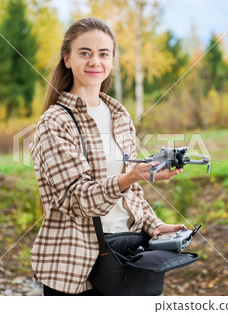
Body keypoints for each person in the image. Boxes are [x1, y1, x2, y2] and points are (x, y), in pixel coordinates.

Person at [30, 17, 185, 296]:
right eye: (84, 53)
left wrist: (155, 225)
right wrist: (127, 178)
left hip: (126, 255)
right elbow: (76, 198)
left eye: (104, 54)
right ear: (67, 59)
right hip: (76, 269)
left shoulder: (119, 115)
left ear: (112, 60)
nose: (95, 62)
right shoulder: (55, 122)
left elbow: (132, 193)